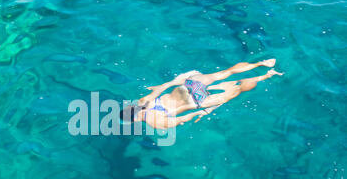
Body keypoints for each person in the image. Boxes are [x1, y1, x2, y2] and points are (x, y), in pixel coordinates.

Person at [120, 59, 283, 129]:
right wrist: (177, 80)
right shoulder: (143, 101)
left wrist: (203, 112)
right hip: (188, 85)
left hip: (197, 100)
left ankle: (266, 76)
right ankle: (260, 63)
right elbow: (161, 88)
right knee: (227, 72)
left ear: (133, 120)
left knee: (238, 89)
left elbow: (183, 119)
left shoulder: (154, 122)